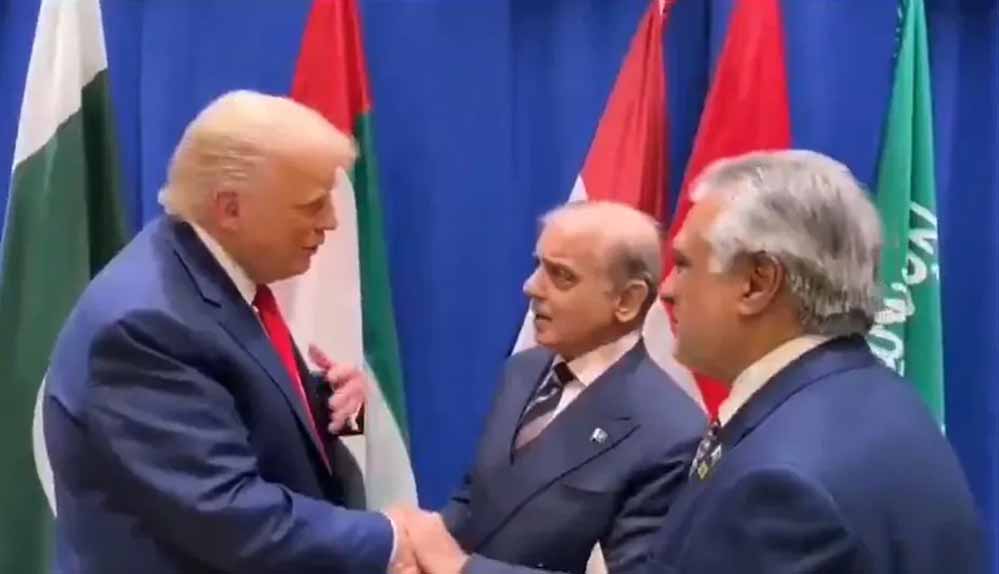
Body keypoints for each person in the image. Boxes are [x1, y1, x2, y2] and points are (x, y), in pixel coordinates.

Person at [42, 90, 414, 574]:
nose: (331, 222)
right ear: (230, 209)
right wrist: (392, 538)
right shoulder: (144, 326)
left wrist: (324, 406)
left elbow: (231, 406)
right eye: (311, 205)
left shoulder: (207, 279)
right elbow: (228, 517)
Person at [647, 149, 982, 573]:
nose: (667, 289)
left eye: (683, 265)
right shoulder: (881, 397)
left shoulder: (779, 486)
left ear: (757, 284)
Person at [399, 201, 705, 574]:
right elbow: (478, 503)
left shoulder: (671, 433)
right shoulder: (522, 371)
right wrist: (415, 547)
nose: (531, 287)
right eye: (538, 266)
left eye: (561, 276)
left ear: (627, 300)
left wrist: (462, 569)